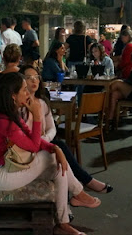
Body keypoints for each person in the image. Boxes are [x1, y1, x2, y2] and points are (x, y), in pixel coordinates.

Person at [0, 72, 100, 235]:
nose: (28, 93)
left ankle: (62, 224)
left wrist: (56, 148)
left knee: (57, 168)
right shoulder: (4, 121)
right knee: (51, 158)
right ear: (13, 96)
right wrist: (38, 116)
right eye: (24, 90)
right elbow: (33, 147)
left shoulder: (10, 114)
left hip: (4, 166)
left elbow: (33, 139)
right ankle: (78, 192)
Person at [20, 65, 113, 194]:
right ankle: (86, 183)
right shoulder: (20, 105)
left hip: (42, 142)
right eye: (29, 78)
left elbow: (51, 127)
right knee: (60, 147)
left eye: (36, 77)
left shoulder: (42, 102)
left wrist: (45, 139)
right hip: (29, 146)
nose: (34, 81)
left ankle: (80, 189)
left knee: (59, 148)